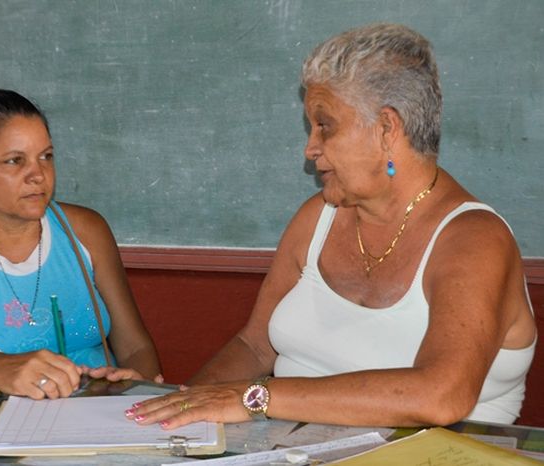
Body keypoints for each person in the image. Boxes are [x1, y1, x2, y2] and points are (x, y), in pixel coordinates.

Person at [126, 23, 537, 428]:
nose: (310, 149)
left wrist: (257, 398)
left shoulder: (475, 240)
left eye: (325, 125)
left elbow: (441, 395)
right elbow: (255, 345)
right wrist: (174, 415)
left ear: (387, 129)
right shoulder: (317, 217)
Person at [0, 89, 162, 400]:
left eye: (46, 156)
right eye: (15, 161)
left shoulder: (85, 230)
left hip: (97, 412)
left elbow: (134, 346)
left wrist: (137, 387)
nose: (38, 175)